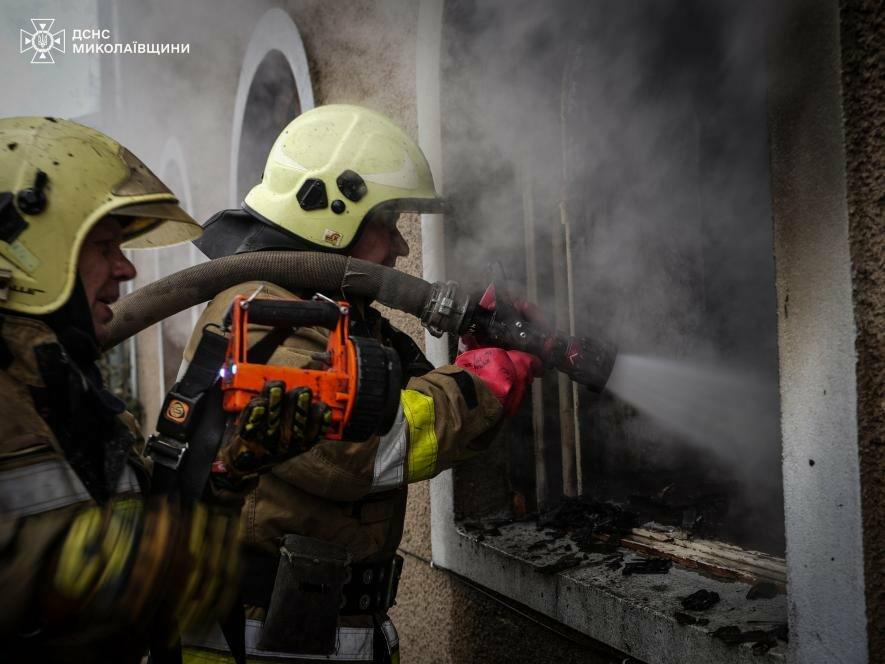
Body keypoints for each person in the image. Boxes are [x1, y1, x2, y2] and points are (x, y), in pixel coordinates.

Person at [181, 104, 541, 663]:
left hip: (314, 627)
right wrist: (480, 387)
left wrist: (474, 355)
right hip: (259, 640)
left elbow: (404, 392)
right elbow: (357, 450)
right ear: (333, 216)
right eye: (387, 223)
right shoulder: (262, 318)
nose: (400, 247)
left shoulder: (329, 311)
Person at [0, 117, 324, 664]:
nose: (126, 269)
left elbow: (138, 524)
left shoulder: (64, 389)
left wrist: (229, 470)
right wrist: (160, 564)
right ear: (34, 249)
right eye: (106, 246)